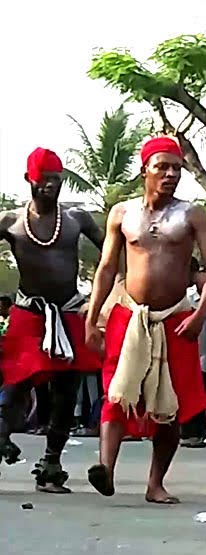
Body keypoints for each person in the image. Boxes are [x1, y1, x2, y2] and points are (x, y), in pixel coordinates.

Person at [83, 136, 206, 504]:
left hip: (176, 317)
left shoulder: (192, 215)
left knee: (169, 405)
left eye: (176, 168)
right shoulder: (122, 214)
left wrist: (200, 314)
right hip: (128, 315)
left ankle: (155, 483)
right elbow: (108, 268)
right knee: (116, 391)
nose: (171, 174)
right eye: (162, 167)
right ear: (145, 169)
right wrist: (92, 318)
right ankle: (106, 469)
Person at [0, 148, 105, 492]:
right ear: (29, 179)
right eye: (43, 178)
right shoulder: (10, 221)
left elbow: (116, 250)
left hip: (70, 312)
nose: (49, 185)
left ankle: (51, 464)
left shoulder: (77, 218)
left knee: (66, 391)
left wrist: (105, 296)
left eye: (55, 179)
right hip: (28, 313)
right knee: (16, 384)